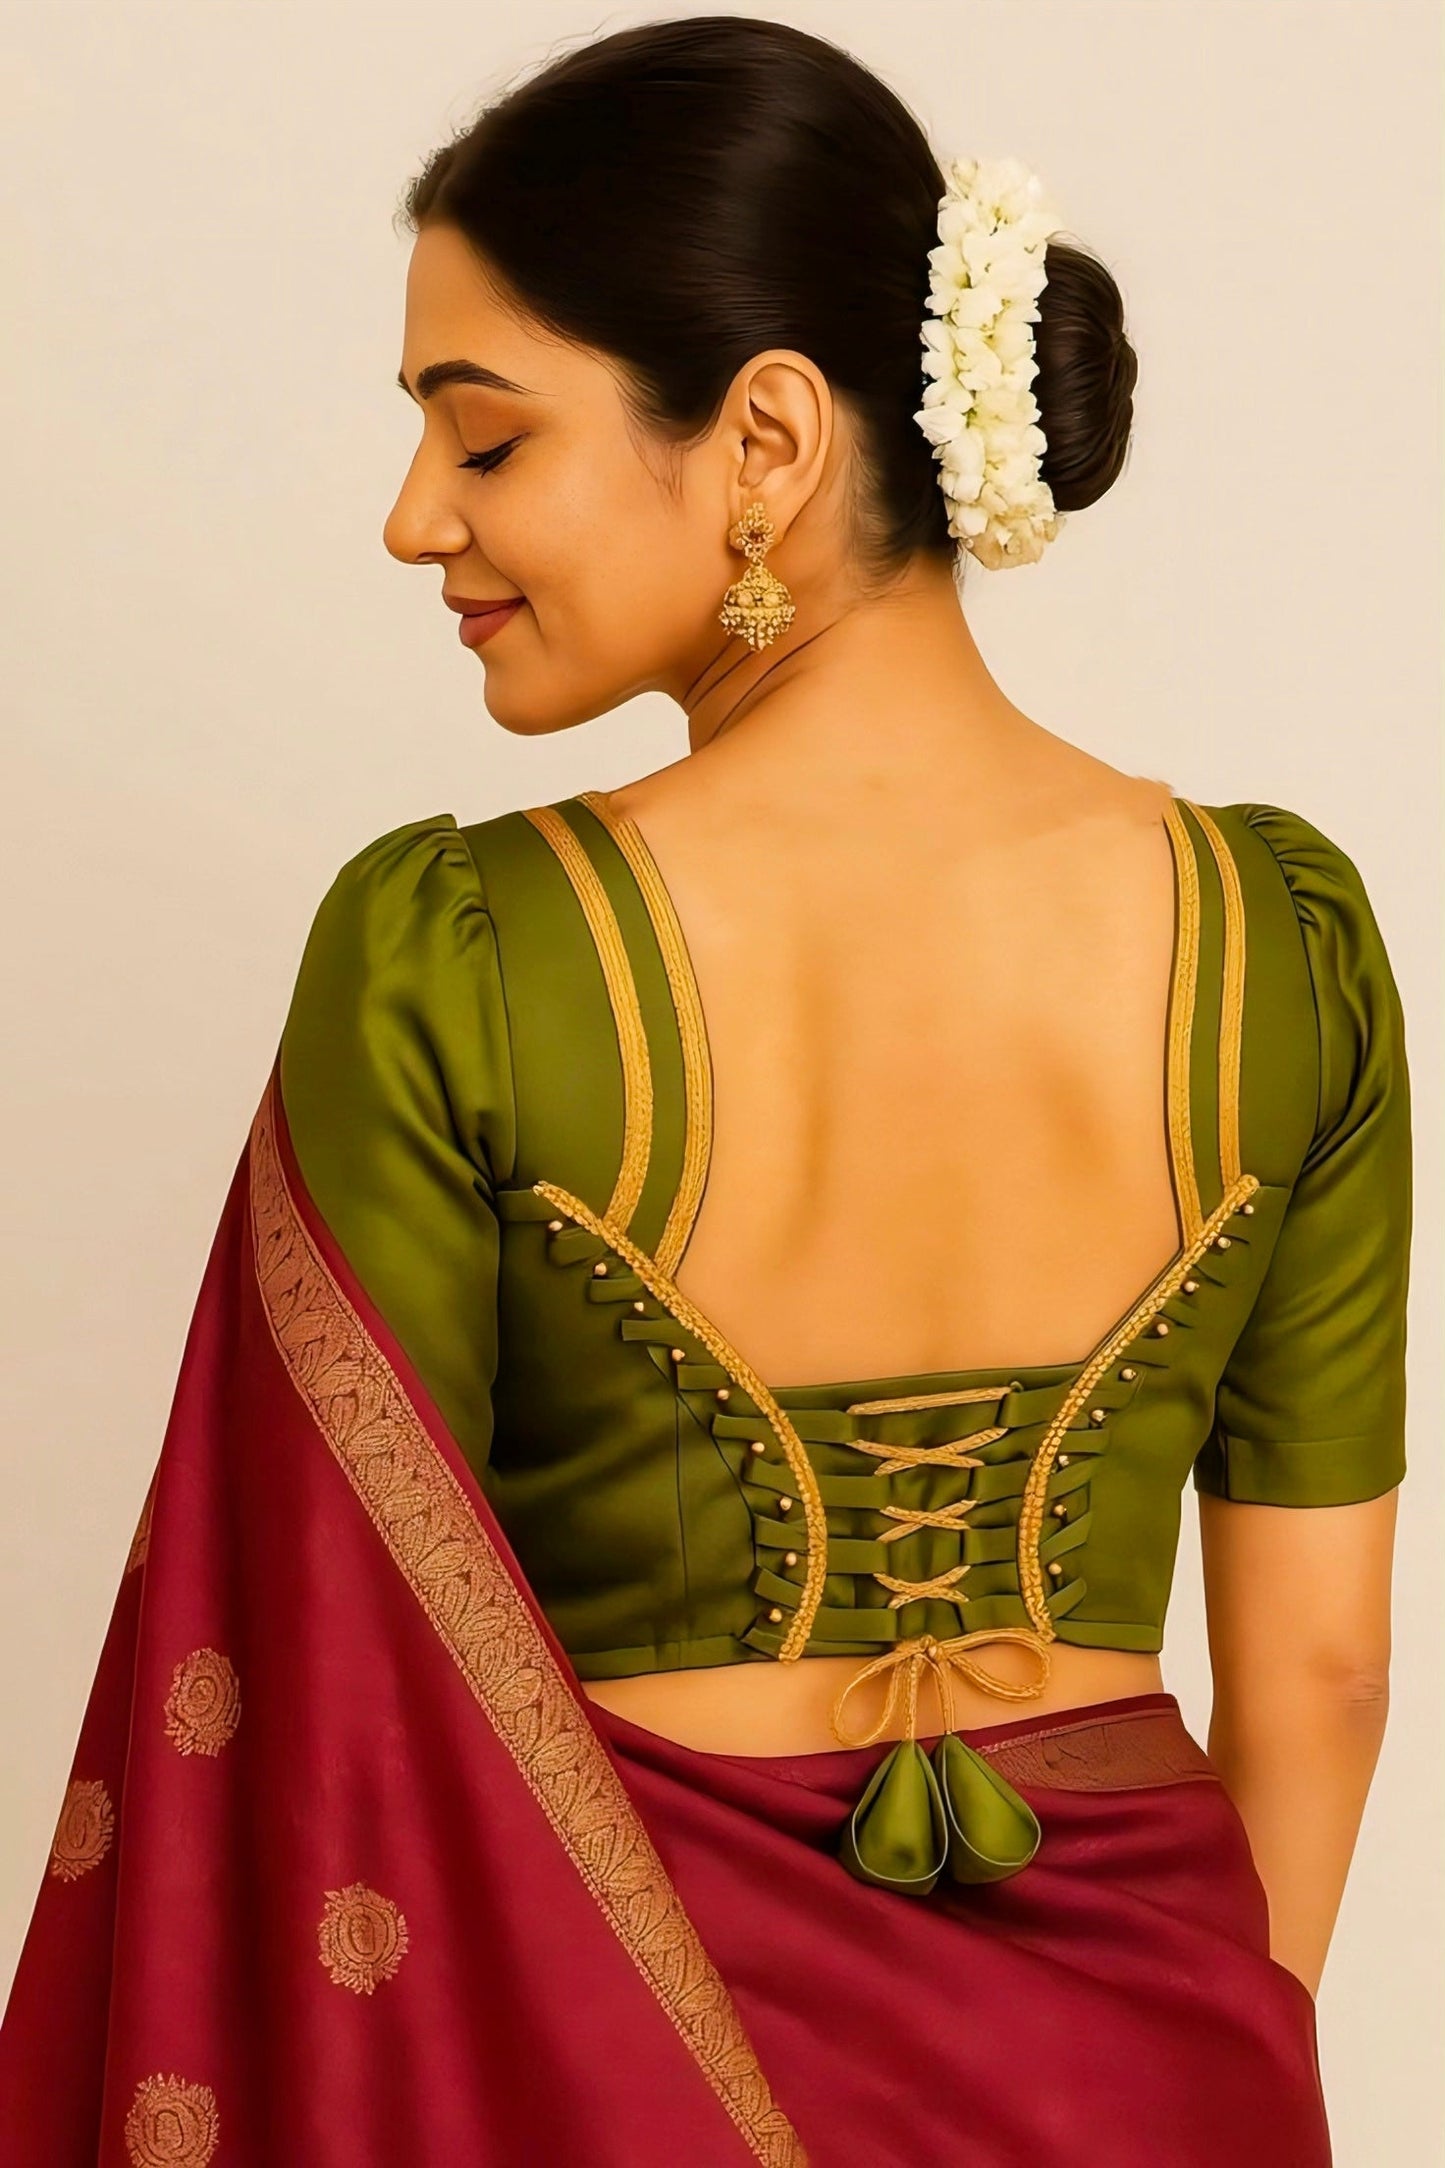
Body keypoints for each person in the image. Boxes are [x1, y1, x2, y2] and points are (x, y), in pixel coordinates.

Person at [0, 17, 1411, 2166]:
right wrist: (1211, 2053)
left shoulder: (461, 953)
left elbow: (331, 1705)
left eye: (484, 443)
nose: (412, 523)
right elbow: (1313, 1677)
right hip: (1153, 2073)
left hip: (604, 2067)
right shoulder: (1284, 939)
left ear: (764, 437)